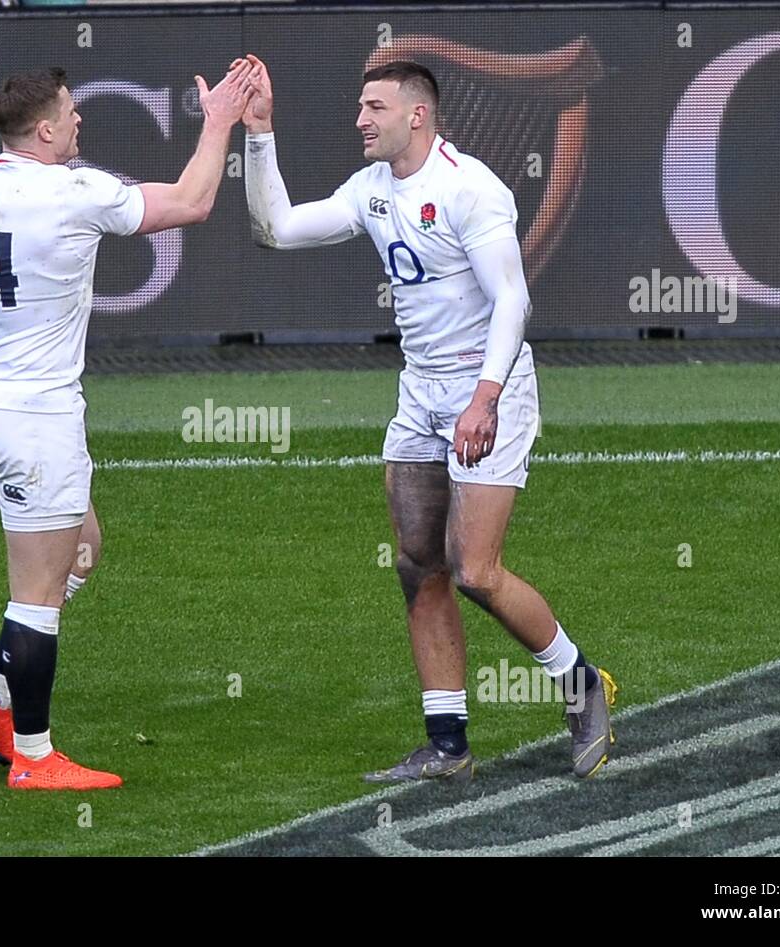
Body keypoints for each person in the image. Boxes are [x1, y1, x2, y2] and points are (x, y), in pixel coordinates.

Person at [239, 55, 617, 781]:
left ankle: (582, 684)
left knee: (476, 568)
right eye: (360, 107)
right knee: (419, 564)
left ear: (417, 114)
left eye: (373, 107)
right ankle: (449, 746)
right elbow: (276, 229)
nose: (359, 120)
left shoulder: (470, 189)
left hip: (489, 391)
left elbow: (513, 300)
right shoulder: (372, 189)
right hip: (421, 395)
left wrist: (485, 397)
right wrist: (260, 135)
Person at [0, 62, 254, 790]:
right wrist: (220, 120)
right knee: (37, 593)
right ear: (44, 129)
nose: (80, 123)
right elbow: (193, 202)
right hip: (36, 419)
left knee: (84, 545)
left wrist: (1, 352)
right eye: (71, 114)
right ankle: (37, 756)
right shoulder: (75, 191)